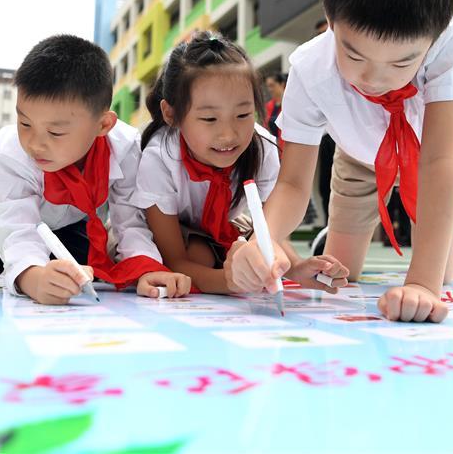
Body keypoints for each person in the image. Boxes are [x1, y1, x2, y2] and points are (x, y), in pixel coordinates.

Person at [229, 0, 453, 323]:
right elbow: (294, 182)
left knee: (442, 273)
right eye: (353, 55)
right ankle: (324, 238)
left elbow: (439, 164)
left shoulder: (449, 44)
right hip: (358, 154)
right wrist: (266, 241)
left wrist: (421, 285)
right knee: (338, 274)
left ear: (432, 40)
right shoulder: (310, 70)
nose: (373, 79)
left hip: (440, 150)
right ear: (330, 21)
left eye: (402, 62)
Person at [0, 34, 190, 304]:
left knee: (82, 268)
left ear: (103, 125)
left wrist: (147, 267)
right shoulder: (15, 154)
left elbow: (130, 221)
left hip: (64, 216)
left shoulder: (126, 148)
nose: (35, 144)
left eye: (55, 132)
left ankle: (41, 251)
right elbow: (15, 220)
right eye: (24, 123)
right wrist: (31, 276)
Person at [134, 32, 347, 294]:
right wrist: (229, 282)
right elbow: (175, 260)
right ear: (171, 113)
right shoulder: (160, 158)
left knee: (249, 252)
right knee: (201, 254)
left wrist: (294, 268)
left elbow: (268, 235)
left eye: (243, 114)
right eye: (210, 119)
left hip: (224, 231)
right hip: (170, 241)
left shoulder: (262, 147)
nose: (229, 135)